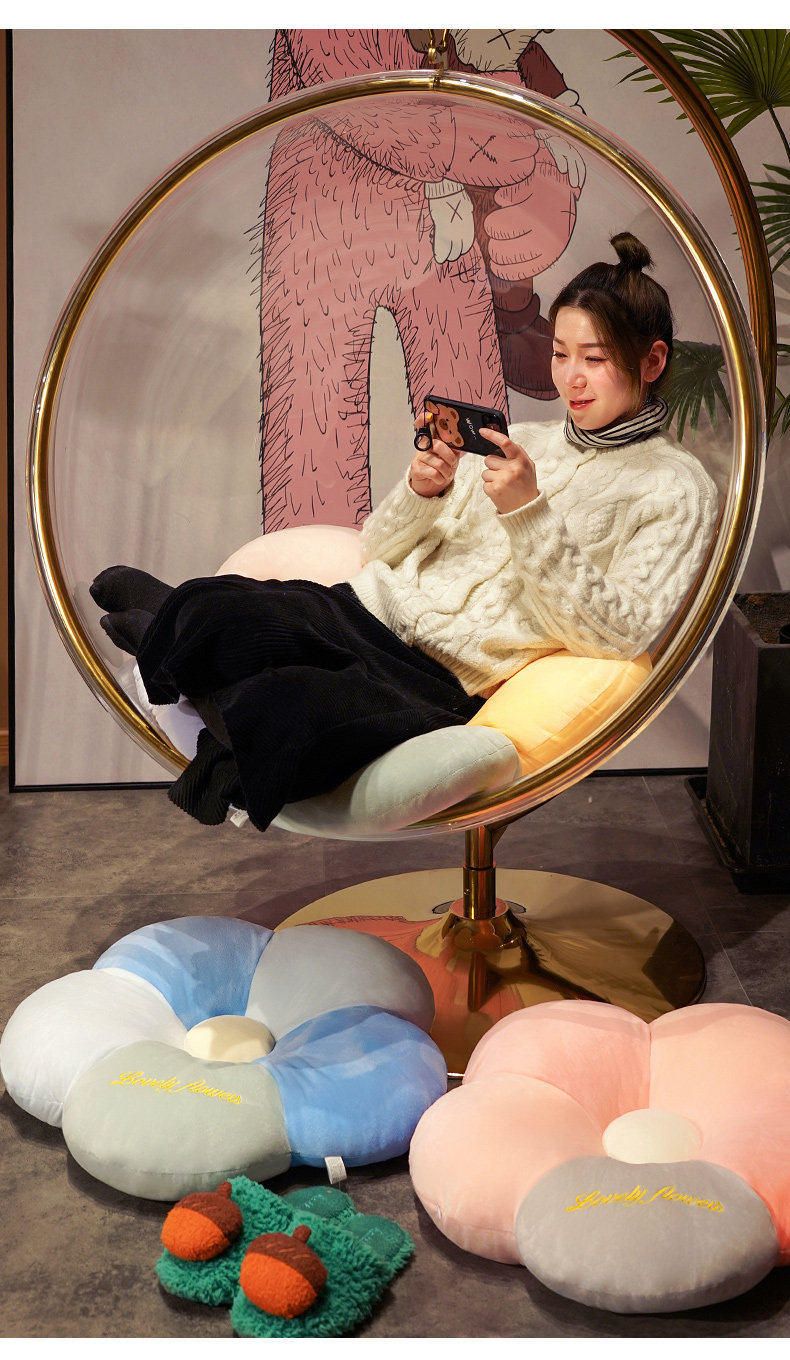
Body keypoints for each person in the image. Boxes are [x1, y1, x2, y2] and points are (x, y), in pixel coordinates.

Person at [91, 232, 719, 833]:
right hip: (371, 609)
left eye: (595, 358)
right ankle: (184, 622)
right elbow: (380, 547)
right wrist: (424, 492)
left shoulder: (677, 489)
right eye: (560, 353)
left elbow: (618, 635)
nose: (570, 377)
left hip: (441, 678)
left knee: (288, 709)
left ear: (652, 360)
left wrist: (529, 513)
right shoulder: (519, 441)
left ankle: (171, 639)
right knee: (227, 606)